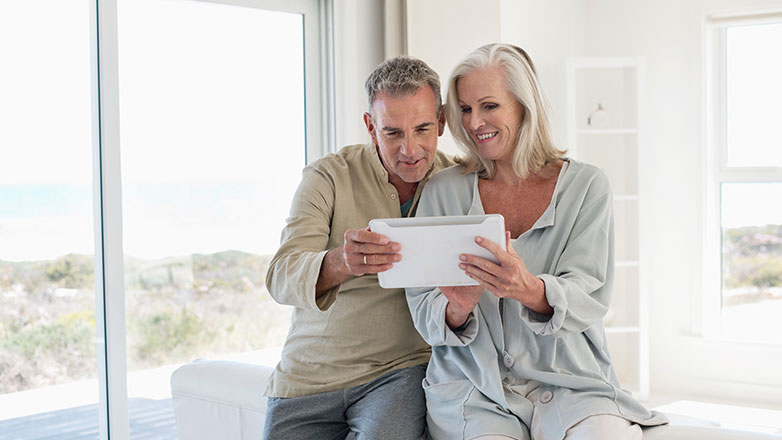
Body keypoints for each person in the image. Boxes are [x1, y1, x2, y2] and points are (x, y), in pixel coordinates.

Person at [406, 43, 668, 440]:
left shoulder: (585, 186)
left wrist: (530, 290)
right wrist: (456, 309)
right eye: (464, 109)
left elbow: (589, 293)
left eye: (489, 106)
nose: (475, 122)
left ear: (523, 105)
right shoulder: (442, 191)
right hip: (474, 390)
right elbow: (423, 302)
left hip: (572, 384)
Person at [263, 56, 455, 440]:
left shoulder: (458, 184)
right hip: (307, 377)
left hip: (399, 372)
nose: (410, 149)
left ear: (442, 122)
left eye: (422, 129)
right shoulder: (328, 176)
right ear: (371, 127)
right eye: (392, 133)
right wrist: (341, 261)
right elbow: (280, 278)